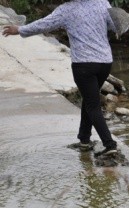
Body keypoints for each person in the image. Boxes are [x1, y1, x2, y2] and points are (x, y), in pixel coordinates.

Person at [2, 0, 119, 156]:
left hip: (84, 65)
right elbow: (114, 25)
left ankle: (109, 145)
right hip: (105, 62)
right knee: (89, 99)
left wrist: (20, 29)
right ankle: (84, 140)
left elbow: (44, 24)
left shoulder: (66, 10)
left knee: (92, 105)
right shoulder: (102, 2)